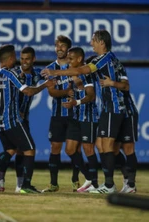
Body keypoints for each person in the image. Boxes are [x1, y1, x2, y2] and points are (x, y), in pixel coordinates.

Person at [41, 30, 129, 194]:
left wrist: (56, 73)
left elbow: (83, 73)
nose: (91, 43)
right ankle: (107, 182)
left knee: (106, 146)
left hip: (110, 108)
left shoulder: (104, 59)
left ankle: (109, 184)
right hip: (104, 109)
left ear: (101, 42)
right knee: (102, 146)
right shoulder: (105, 60)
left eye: (93, 40)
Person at [0, 44, 47, 193]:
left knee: (10, 150)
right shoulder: (11, 73)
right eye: (17, 57)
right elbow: (28, 91)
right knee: (29, 149)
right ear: (10, 58)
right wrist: (45, 85)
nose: (18, 61)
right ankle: (25, 186)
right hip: (12, 119)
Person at [42, 35, 83, 193]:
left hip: (74, 114)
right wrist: (67, 91)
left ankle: (76, 181)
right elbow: (52, 92)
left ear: (68, 49)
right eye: (57, 46)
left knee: (75, 149)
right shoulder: (51, 68)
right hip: (58, 115)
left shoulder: (75, 67)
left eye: (63, 46)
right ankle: (53, 184)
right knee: (55, 147)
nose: (59, 48)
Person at [61, 48, 100, 193]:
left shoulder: (87, 74)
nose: (68, 61)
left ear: (79, 59)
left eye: (71, 59)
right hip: (75, 116)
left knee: (88, 148)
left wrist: (75, 102)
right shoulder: (72, 73)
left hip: (88, 117)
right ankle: (89, 177)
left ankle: (95, 183)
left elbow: (91, 96)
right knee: (70, 149)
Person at [100, 75, 138, 193]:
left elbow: (125, 86)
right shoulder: (100, 75)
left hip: (128, 113)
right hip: (115, 115)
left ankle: (131, 184)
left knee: (128, 148)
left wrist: (111, 83)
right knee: (114, 150)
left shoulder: (118, 69)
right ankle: (126, 178)